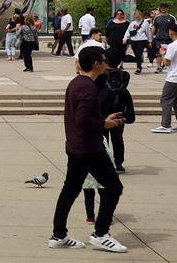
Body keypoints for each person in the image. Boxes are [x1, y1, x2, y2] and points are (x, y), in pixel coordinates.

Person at [47, 46, 128, 252]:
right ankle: (101, 233)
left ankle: (58, 235)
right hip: (89, 148)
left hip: (75, 146)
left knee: (71, 189)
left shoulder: (76, 83)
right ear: (96, 64)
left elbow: (81, 117)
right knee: (113, 188)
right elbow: (83, 119)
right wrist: (104, 125)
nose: (106, 62)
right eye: (103, 59)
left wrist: (102, 120)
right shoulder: (87, 87)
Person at [151, 22, 177, 133]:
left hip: (174, 77)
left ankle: (166, 125)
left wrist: (162, 54)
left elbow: (167, 63)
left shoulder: (173, 45)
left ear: (171, 32)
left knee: (166, 100)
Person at [149, 4, 175, 72]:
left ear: (168, 9)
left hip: (168, 38)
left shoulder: (171, 18)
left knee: (167, 52)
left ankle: (165, 65)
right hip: (158, 37)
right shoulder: (157, 18)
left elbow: (175, 28)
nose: (163, 9)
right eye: (162, 8)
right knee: (158, 52)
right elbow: (154, 27)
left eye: (165, 8)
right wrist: (151, 37)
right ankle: (159, 66)